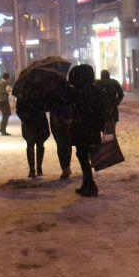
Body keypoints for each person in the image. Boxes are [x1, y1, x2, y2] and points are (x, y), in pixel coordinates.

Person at [69, 64, 104, 197]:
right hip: (92, 128)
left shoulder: (79, 91)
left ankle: (90, 184)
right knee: (86, 155)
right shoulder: (95, 89)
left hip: (82, 128)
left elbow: (74, 108)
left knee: (82, 155)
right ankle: (87, 183)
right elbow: (100, 110)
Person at [16, 97, 50, 178]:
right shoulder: (40, 91)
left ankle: (33, 169)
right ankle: (38, 168)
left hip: (29, 121)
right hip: (38, 121)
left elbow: (18, 109)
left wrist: (24, 117)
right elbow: (47, 106)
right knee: (39, 145)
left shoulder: (23, 92)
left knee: (31, 145)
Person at [50, 81, 74, 179]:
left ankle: (65, 168)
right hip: (66, 121)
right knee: (67, 145)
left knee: (61, 146)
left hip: (58, 123)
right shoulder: (70, 90)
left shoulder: (52, 93)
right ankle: (66, 167)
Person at [96, 69, 124, 135]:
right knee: (106, 132)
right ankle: (109, 144)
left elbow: (121, 94)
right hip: (103, 111)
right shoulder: (99, 84)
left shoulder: (113, 83)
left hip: (112, 110)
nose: (105, 80)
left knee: (111, 132)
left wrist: (116, 102)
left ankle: (111, 144)